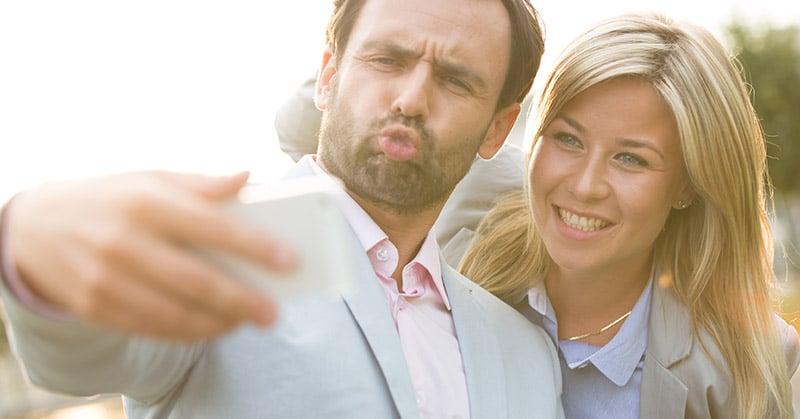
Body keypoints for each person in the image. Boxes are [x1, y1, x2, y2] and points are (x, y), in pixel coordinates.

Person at [0, 0, 565, 418]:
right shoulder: (214, 257)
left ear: (497, 128)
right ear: (328, 75)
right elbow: (73, 356)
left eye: (456, 80)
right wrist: (30, 241)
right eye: (388, 60)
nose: (411, 100)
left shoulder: (529, 355)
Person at [460, 13, 800, 419]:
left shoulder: (748, 368)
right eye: (568, 138)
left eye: (631, 159)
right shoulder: (453, 219)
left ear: (687, 185)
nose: (586, 186)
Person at [274, 72, 530, 267]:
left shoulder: (510, 176)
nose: (410, 102)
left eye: (454, 80)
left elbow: (293, 128)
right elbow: (294, 127)